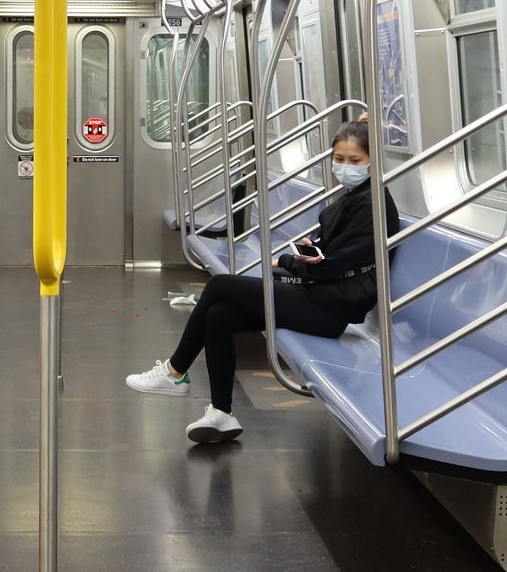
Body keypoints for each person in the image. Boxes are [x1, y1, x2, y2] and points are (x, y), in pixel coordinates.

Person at [127, 121, 398, 443]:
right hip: (318, 294)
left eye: (354, 161)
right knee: (219, 317)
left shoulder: (372, 206)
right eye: (339, 159)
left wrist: (284, 261)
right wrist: (306, 255)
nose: (344, 167)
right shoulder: (355, 196)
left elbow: (331, 267)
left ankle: (174, 372)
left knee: (220, 286)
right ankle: (221, 414)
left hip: (331, 308)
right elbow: (330, 254)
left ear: (372, 161)